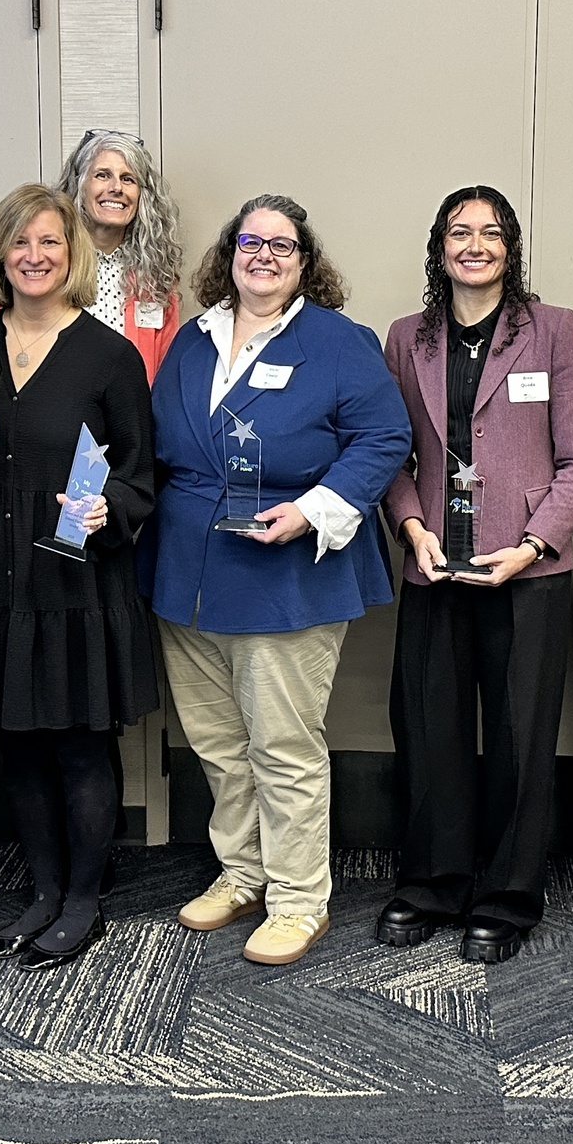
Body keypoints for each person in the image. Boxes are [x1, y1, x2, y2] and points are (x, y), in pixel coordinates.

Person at [142, 196, 410, 966]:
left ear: (304, 262)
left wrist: (313, 508)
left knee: (283, 746)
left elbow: (385, 436)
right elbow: (163, 445)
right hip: (189, 573)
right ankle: (244, 872)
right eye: (250, 242)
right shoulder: (193, 342)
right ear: (228, 253)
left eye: (282, 246)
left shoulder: (338, 341)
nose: (264, 256)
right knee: (219, 745)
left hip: (288, 571)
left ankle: (298, 899)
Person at [0, 183, 157, 970]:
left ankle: (86, 901)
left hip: (75, 581)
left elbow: (139, 475)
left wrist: (110, 511)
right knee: (18, 744)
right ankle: (44, 892)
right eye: (20, 242)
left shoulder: (108, 354)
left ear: (74, 255)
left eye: (51, 243)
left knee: (81, 746)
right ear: (1, 253)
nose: (35, 256)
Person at [377, 186, 573, 964]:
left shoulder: (554, 331)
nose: (476, 244)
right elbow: (390, 456)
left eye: (492, 232)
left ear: (511, 247)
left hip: (527, 570)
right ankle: (430, 884)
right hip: (436, 564)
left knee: (519, 736)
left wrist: (534, 545)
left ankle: (507, 898)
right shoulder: (408, 338)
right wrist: (411, 526)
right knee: (430, 730)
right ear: (439, 248)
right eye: (460, 232)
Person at [56, 129, 183, 382]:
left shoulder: (156, 278)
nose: (116, 188)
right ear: (80, 184)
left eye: (128, 179)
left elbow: (165, 374)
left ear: (142, 196)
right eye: (102, 175)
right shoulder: (46, 263)